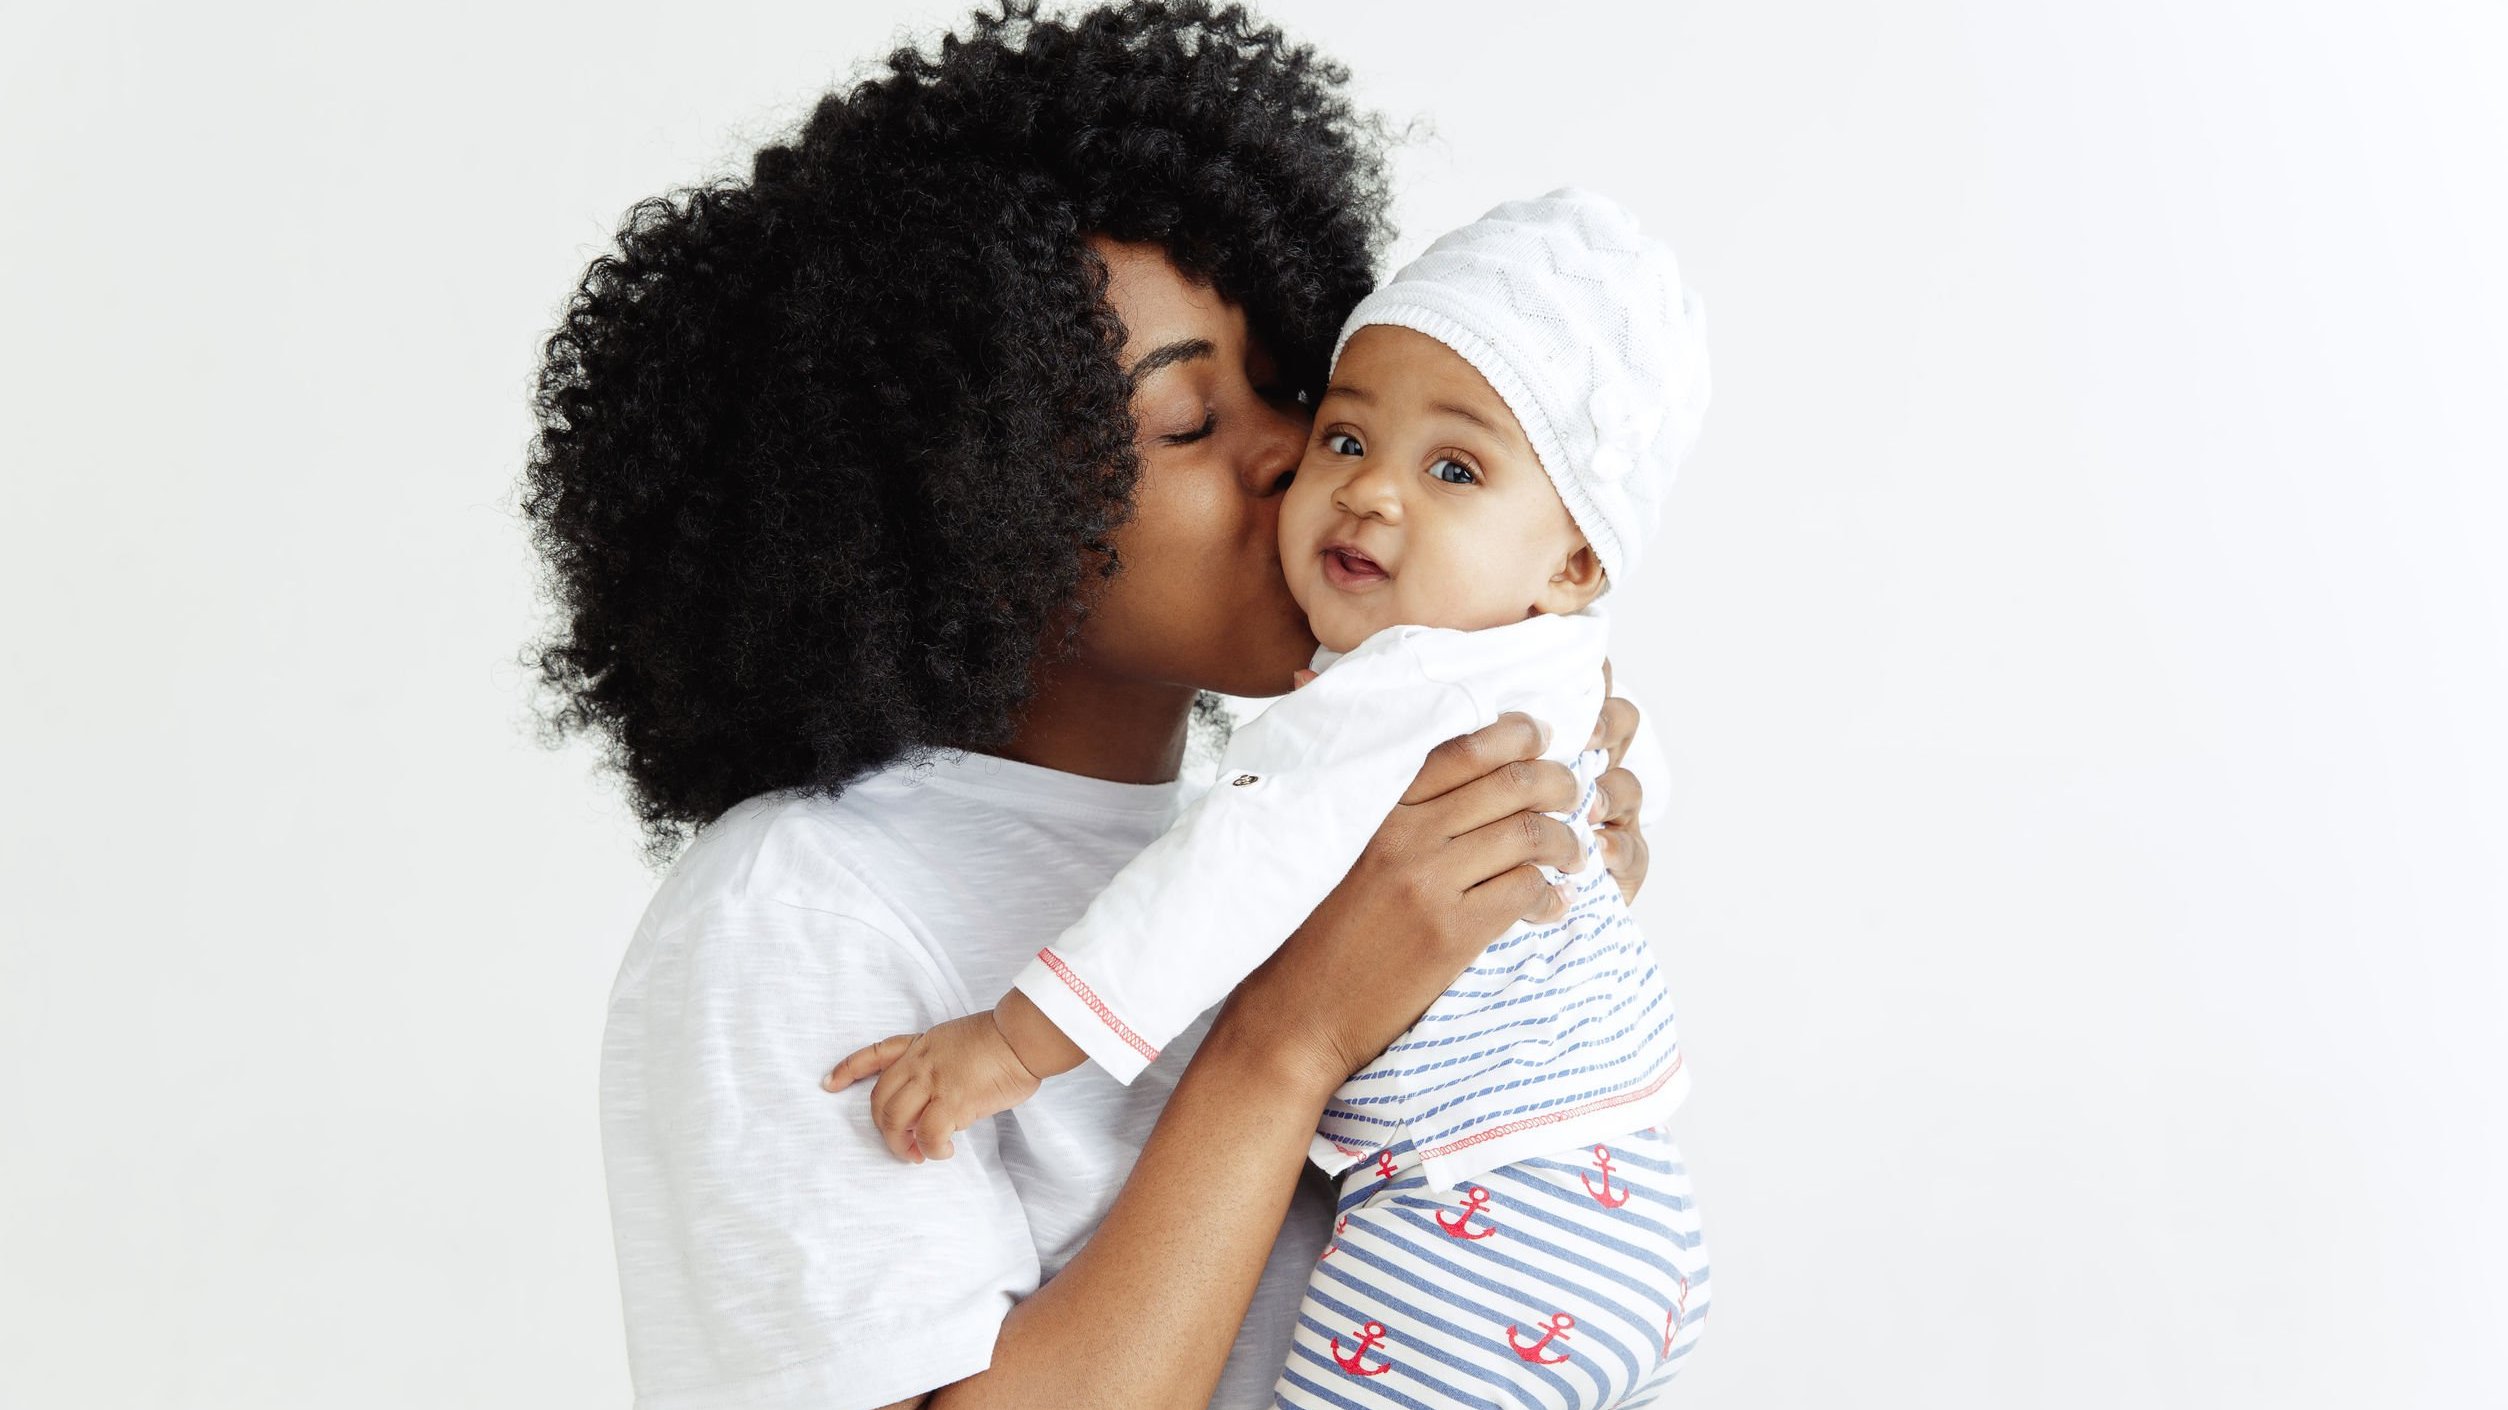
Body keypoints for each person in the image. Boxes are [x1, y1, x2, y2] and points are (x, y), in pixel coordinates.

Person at [525, 4, 1672, 1406]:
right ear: (970, 496)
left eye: (1295, 390)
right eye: (1188, 423)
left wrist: (1553, 867)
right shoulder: (803, 903)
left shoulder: (1300, 829)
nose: (1296, 461)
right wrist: (1286, 1039)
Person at [829, 188, 1715, 1407]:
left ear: (1573, 561)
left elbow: (1216, 880)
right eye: (1345, 436)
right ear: (991, 491)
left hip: (1482, 1209)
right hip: (1622, 1198)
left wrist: (1010, 1043)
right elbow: (1629, 779)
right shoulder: (810, 906)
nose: (1333, 477)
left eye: (1452, 466)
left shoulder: (1370, 713)